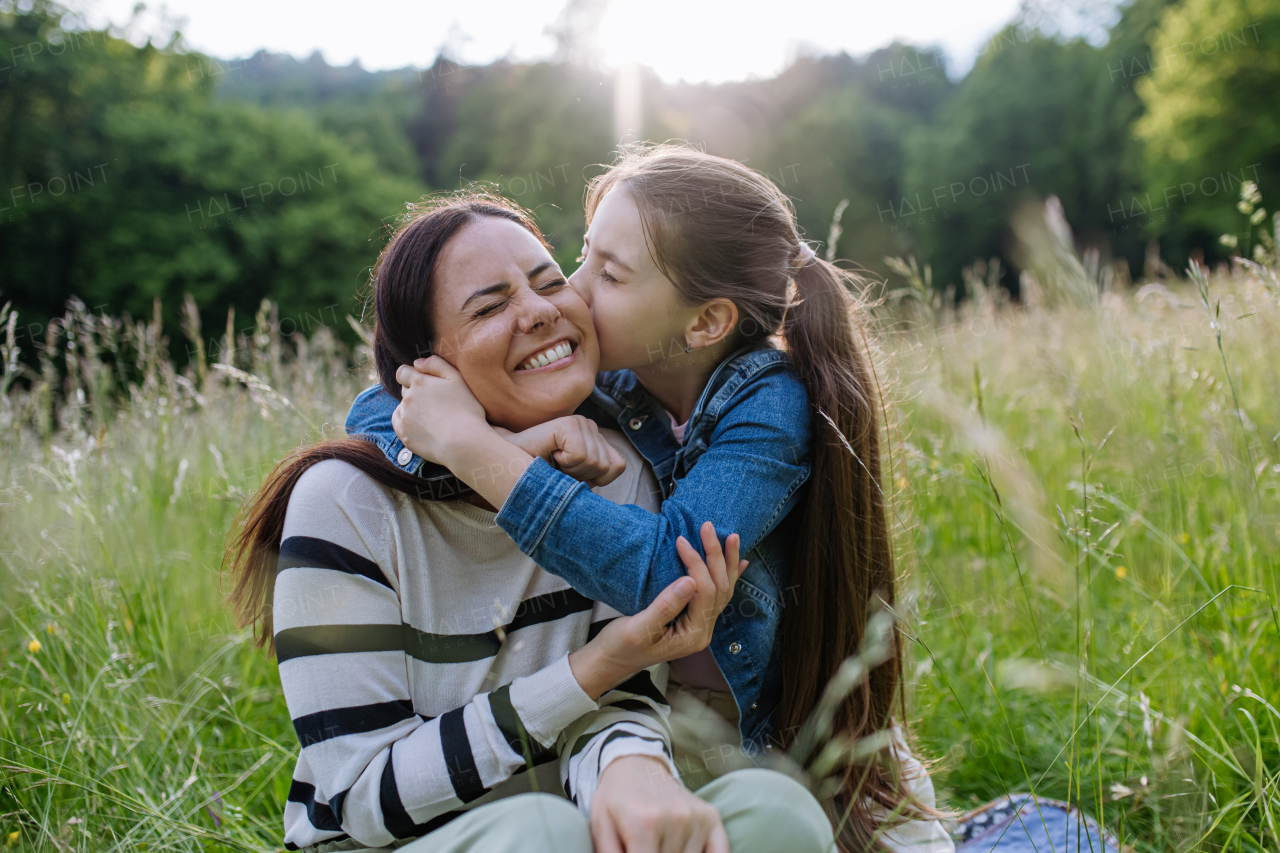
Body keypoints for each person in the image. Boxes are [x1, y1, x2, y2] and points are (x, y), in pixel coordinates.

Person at [353, 144, 954, 852]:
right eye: (583, 255)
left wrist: (480, 451)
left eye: (608, 274)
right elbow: (380, 411)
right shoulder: (616, 380)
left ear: (704, 323)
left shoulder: (769, 408)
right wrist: (527, 441)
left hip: (762, 737)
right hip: (633, 728)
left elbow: (669, 577)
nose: (572, 289)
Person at [224, 192, 837, 853]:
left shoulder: (617, 466)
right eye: (490, 307)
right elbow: (361, 801)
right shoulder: (346, 502)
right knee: (540, 833)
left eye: (549, 282)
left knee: (775, 811)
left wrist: (630, 771)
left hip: (567, 818)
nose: (543, 310)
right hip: (404, 840)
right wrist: (592, 664)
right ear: (426, 368)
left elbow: (621, 698)